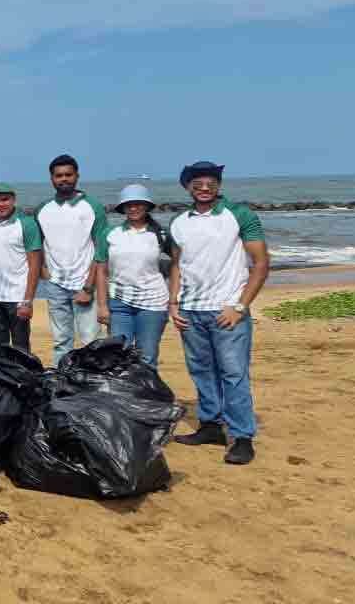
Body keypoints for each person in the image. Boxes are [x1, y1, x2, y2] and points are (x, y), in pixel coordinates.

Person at [168, 161, 269, 466]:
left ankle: (241, 436)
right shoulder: (178, 222)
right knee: (201, 371)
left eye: (210, 181)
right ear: (187, 186)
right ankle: (211, 426)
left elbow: (261, 264)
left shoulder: (239, 215)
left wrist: (240, 306)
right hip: (190, 311)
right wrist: (173, 303)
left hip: (227, 310)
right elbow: (176, 265)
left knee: (233, 373)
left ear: (219, 185)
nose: (204, 187)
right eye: (197, 182)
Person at [36, 154, 107, 363]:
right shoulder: (43, 209)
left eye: (68, 174)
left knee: (90, 341)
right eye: (59, 175)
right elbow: (36, 244)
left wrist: (88, 286)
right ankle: (62, 383)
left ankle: (90, 388)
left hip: (84, 283)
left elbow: (101, 250)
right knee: (60, 341)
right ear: (52, 179)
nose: (64, 179)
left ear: (77, 176)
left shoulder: (92, 206)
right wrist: (43, 270)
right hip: (55, 285)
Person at [93, 184, 170, 369]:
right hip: (119, 304)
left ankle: (147, 397)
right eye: (129, 205)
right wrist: (103, 306)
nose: (133, 208)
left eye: (138, 204)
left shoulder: (161, 234)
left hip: (153, 304)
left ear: (147, 206)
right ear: (123, 208)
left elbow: (179, 263)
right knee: (119, 356)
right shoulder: (110, 234)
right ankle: (126, 398)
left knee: (147, 357)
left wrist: (174, 297)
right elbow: (101, 271)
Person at [0, 183, 43, 351]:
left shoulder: (27, 224)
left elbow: (35, 264)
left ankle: (24, 377)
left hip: (17, 297)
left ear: (13, 200)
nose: (1, 204)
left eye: (5, 199)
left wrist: (28, 300)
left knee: (20, 348)